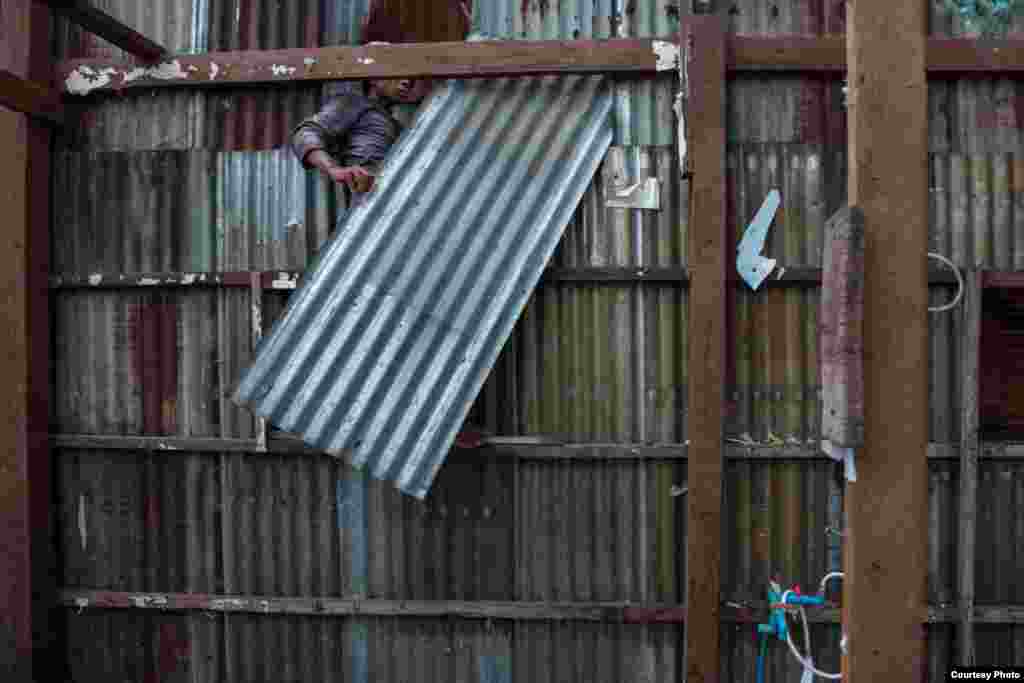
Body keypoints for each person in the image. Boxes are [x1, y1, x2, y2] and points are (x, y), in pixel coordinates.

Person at [291, 4, 470, 195]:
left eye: (409, 75)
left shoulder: (403, 120)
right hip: (368, 206)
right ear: (374, 77)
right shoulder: (354, 104)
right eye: (398, 73)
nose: (406, 82)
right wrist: (335, 170)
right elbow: (305, 134)